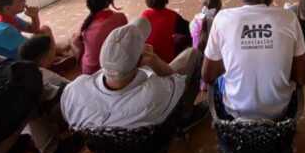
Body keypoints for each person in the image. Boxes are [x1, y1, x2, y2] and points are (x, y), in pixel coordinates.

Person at [202, 0, 305, 119]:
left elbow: (207, 75)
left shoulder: (222, 20)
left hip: (235, 113)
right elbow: (302, 77)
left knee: (222, 76)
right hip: (279, 113)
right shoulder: (289, 18)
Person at [62, 17, 207, 132]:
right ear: (141, 62)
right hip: (153, 135)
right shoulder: (154, 92)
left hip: (109, 148)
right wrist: (154, 59)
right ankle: (187, 115)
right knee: (193, 54)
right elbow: (177, 82)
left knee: (140, 26)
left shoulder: (74, 91)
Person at [71, 0, 128, 75]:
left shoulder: (85, 25)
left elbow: (75, 43)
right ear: (110, 0)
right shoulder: (121, 18)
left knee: (72, 40)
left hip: (89, 71)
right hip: (111, 68)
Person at [140, 0, 191, 64]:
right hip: (166, 59)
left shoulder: (144, 15)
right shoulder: (172, 16)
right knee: (183, 37)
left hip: (147, 58)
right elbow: (189, 28)